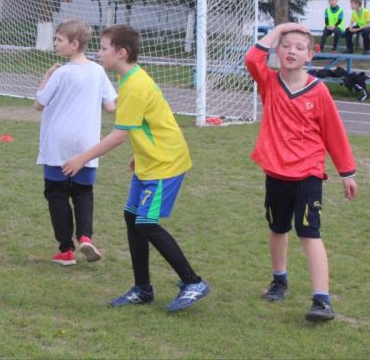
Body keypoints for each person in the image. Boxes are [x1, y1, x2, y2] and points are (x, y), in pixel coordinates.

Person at [62, 24, 209, 312]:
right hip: (150, 161)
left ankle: (193, 282)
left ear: (121, 52)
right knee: (132, 217)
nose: (99, 53)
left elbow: (118, 134)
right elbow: (147, 124)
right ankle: (142, 289)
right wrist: (139, 152)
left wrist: (81, 158)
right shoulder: (129, 81)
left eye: (103, 48)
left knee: (146, 223)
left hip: (165, 164)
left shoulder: (135, 85)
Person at [245, 22, 357, 322]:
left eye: (299, 47)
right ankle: (279, 280)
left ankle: (322, 299)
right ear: (277, 51)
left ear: (310, 55)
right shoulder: (268, 82)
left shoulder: (318, 92)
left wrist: (347, 172)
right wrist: (280, 28)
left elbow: (334, 134)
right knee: (278, 228)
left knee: (309, 232)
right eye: (286, 45)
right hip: (276, 173)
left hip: (308, 173)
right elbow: (251, 59)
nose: (292, 51)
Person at [34, 19, 117, 266]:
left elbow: (39, 103)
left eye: (59, 40)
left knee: (57, 194)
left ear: (74, 44)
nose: (55, 44)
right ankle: (85, 236)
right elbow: (111, 106)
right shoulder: (98, 71)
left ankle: (66, 250)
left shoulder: (61, 73)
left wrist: (47, 75)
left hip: (58, 143)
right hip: (87, 145)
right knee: (83, 193)